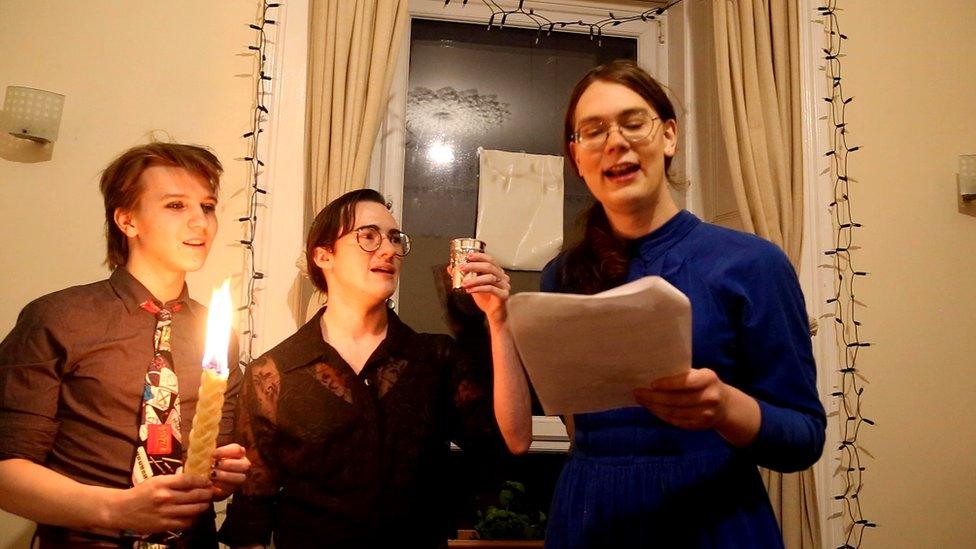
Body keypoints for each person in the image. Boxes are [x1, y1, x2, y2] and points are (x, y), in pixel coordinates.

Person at [525, 59, 827, 547]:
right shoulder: (561, 277)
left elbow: (805, 437)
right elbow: (572, 419)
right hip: (589, 518)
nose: (616, 141)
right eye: (593, 130)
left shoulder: (753, 263)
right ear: (577, 158)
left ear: (668, 136)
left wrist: (726, 407)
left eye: (633, 122)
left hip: (714, 520)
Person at [219, 189, 531, 549]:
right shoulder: (273, 373)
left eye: (394, 238)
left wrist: (499, 319)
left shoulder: (435, 358)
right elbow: (251, 514)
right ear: (324, 255)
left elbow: (516, 440)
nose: (387, 249)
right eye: (368, 236)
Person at [0, 142, 251, 548]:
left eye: (207, 206)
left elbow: (215, 458)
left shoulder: (218, 335)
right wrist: (116, 509)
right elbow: (6, 473)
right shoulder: (58, 318)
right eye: (175, 205)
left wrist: (222, 475)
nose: (200, 223)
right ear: (127, 219)